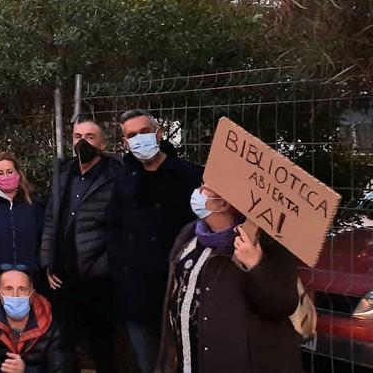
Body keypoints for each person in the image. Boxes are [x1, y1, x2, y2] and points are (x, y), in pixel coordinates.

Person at [156, 185, 301, 373]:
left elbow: (282, 304)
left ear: (223, 203)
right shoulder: (190, 234)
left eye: (205, 188)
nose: (197, 191)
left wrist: (256, 265)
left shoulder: (265, 243)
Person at [107, 109, 202, 372]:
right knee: (147, 363)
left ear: (159, 133)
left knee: (185, 362)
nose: (139, 139)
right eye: (132, 135)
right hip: (135, 293)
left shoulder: (190, 176)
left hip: (177, 291)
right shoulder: (124, 177)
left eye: (144, 132)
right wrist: (120, 266)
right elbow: (113, 225)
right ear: (126, 143)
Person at [40, 119, 121, 373]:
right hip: (63, 275)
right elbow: (52, 218)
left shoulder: (115, 176)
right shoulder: (64, 172)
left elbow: (120, 228)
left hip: (97, 277)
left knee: (102, 344)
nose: (82, 142)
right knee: (64, 342)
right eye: (77, 136)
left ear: (103, 143)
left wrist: (103, 267)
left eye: (90, 136)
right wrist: (47, 263)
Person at [0, 267, 72, 373]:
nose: (15, 296)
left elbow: (62, 369)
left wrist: (25, 371)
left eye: (22, 289)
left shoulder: (53, 325)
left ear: (32, 293)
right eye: (8, 289)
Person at [0, 152, 44, 277]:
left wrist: (36, 264)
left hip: (30, 279)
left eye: (10, 172)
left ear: (18, 174)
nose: (5, 176)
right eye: (0, 173)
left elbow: (43, 238)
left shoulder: (34, 205)